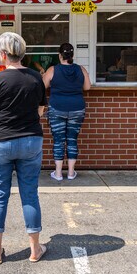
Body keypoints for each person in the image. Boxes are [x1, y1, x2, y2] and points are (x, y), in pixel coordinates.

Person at [0, 32, 48, 265]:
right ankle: (34, 249)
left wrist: (2, 127)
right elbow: (41, 111)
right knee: (29, 193)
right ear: (22, 53)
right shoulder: (34, 78)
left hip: (0, 141)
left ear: (3, 54)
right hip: (31, 140)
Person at [43, 43, 91, 181]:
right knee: (72, 140)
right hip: (77, 108)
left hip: (57, 108)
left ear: (60, 55)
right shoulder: (81, 69)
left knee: (58, 140)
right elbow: (87, 87)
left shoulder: (53, 70)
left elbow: (42, 86)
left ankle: (58, 174)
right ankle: (71, 173)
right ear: (72, 55)